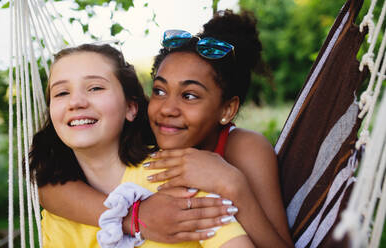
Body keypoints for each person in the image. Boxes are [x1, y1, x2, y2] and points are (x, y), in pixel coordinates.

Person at [36, 10, 294, 247]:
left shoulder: (243, 148)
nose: (168, 108)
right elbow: (51, 191)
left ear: (227, 109)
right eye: (159, 90)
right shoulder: (149, 134)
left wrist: (232, 184)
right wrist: (135, 217)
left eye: (190, 95)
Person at [29, 43, 250, 247]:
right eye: (61, 93)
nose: (76, 102)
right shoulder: (59, 212)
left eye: (95, 88)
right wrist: (132, 217)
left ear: (131, 107)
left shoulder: (174, 178)